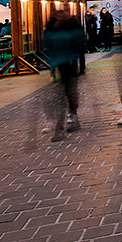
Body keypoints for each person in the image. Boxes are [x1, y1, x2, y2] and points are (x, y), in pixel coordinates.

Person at [43, 9, 86, 142]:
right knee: (63, 95)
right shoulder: (54, 28)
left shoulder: (68, 27)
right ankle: (66, 122)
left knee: (67, 93)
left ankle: (68, 120)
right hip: (61, 65)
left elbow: (80, 43)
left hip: (69, 65)